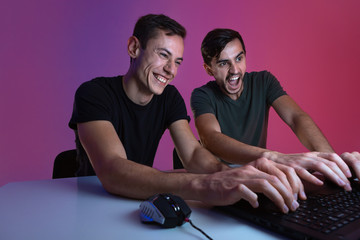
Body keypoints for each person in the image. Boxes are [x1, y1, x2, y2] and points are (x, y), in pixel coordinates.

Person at [69, 14, 301, 213]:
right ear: (134, 47)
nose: (171, 70)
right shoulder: (93, 93)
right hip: (92, 204)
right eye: (163, 55)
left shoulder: (169, 97)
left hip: (138, 201)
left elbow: (192, 155)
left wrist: (227, 176)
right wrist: (204, 186)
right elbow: (113, 169)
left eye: (177, 61)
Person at [191, 28, 360, 199]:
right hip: (223, 181)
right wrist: (273, 157)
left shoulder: (264, 81)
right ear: (209, 69)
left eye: (239, 58)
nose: (235, 70)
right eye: (223, 63)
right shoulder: (202, 95)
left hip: (262, 174)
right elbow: (210, 138)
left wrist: (330, 161)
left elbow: (296, 118)